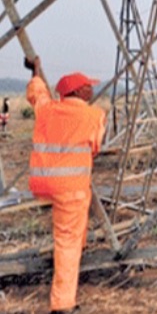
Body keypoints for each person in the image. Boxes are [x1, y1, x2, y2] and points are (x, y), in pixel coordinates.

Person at [24, 56, 105, 314]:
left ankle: (78, 250)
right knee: (67, 242)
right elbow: (95, 146)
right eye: (88, 86)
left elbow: (37, 93)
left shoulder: (47, 109)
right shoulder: (94, 115)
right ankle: (62, 305)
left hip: (43, 182)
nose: (92, 89)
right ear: (78, 91)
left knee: (73, 229)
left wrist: (35, 70)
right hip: (70, 188)